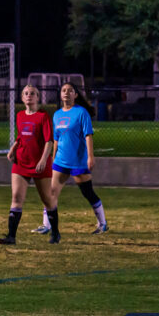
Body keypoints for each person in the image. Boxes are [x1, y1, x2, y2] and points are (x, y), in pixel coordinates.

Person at [0, 85, 59, 245]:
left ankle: (55, 233)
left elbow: (49, 141)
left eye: (32, 93)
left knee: (47, 200)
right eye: (26, 93)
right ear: (22, 97)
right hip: (21, 162)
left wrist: (43, 160)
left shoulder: (43, 116)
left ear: (38, 97)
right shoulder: (20, 115)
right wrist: (12, 149)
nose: (29, 95)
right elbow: (20, 136)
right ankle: (11, 236)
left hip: (39, 164)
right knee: (16, 197)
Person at [49, 82, 109, 234]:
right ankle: (46, 225)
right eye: (64, 90)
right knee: (51, 193)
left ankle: (102, 223)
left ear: (75, 95)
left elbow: (88, 135)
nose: (66, 92)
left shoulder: (82, 113)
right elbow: (56, 139)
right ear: (60, 95)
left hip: (78, 161)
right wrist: (53, 157)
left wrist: (90, 156)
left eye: (70, 90)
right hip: (61, 161)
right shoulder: (57, 115)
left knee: (87, 193)